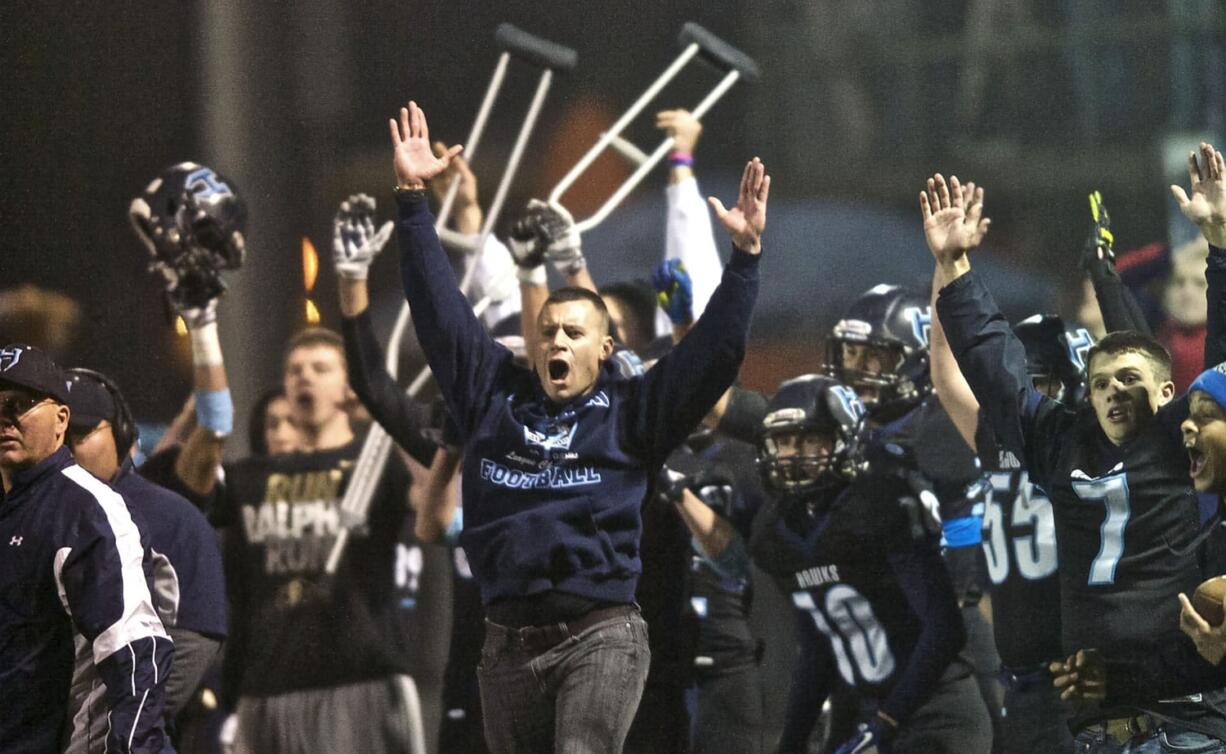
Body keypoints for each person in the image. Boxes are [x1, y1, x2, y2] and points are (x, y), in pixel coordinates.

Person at [391, 98, 766, 752]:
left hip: (599, 636)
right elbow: (438, 314)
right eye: (547, 331)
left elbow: (712, 359)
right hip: (503, 641)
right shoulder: (491, 392)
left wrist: (744, 261)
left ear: (606, 349)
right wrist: (412, 201)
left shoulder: (632, 410)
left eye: (574, 331)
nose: (556, 340)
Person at [927, 142, 1226, 750]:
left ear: (1169, 392)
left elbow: (1224, 359)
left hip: (1182, 719)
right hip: (1097, 727)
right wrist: (956, 269)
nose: (1113, 393)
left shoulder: (1180, 436)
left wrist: (1219, 245)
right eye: (1099, 383)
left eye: (1130, 382)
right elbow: (993, 367)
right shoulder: (1060, 442)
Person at [750, 374, 992, 754]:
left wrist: (887, 723)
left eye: (810, 439)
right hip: (866, 714)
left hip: (935, 710)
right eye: (784, 442)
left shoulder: (881, 502)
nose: (795, 455)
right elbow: (818, 649)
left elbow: (945, 629)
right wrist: (791, 742)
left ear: (846, 439)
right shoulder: (776, 531)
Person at [0, 344, 172, 753]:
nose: (3, 419)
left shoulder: (86, 508)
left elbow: (135, 651)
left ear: (62, 419)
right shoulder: (12, 508)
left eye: (18, 404)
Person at [60, 367, 228, 752]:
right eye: (57, 438)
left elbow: (191, 647)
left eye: (80, 436)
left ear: (120, 434)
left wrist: (96, 719)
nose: (66, 451)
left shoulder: (170, 518)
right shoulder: (22, 518)